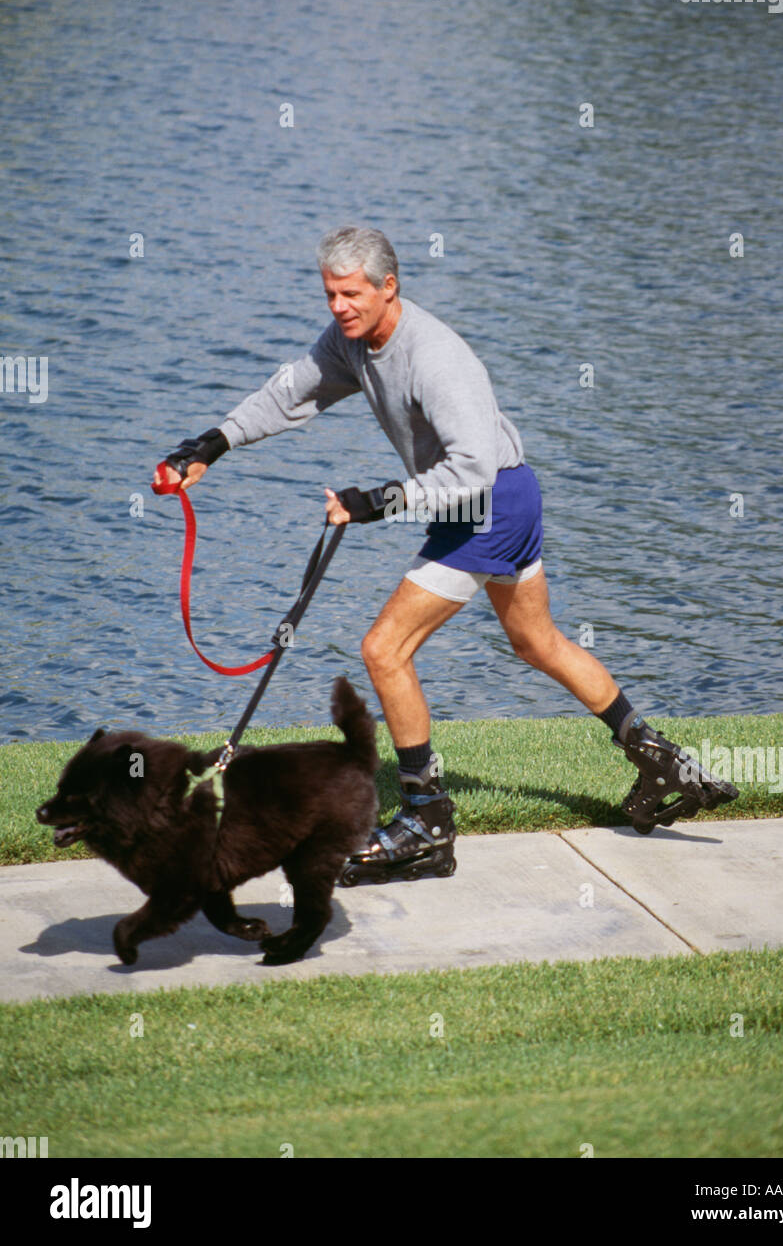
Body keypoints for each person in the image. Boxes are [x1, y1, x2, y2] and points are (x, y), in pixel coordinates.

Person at [155, 225, 737, 883]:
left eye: (351, 294)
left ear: (388, 287)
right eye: (330, 295)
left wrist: (378, 500)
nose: (339, 307)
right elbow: (291, 392)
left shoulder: (435, 356)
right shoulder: (351, 343)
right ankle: (662, 761)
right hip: (502, 499)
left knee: (384, 649)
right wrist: (214, 443)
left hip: (490, 502)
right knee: (537, 642)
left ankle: (426, 821)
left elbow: (472, 472)